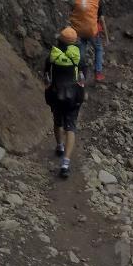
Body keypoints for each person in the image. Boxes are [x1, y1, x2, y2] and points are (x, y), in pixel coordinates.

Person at [43, 27, 86, 178]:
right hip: (73, 98)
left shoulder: (51, 58)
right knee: (71, 127)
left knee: (57, 122)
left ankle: (59, 146)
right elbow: (82, 79)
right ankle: (65, 164)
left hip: (56, 96)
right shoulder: (79, 59)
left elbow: (47, 78)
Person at [70, 0, 107, 81]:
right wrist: (106, 36)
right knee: (98, 48)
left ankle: (80, 73)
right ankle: (98, 74)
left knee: (81, 49)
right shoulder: (96, 0)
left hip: (79, 30)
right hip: (91, 31)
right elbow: (101, 19)